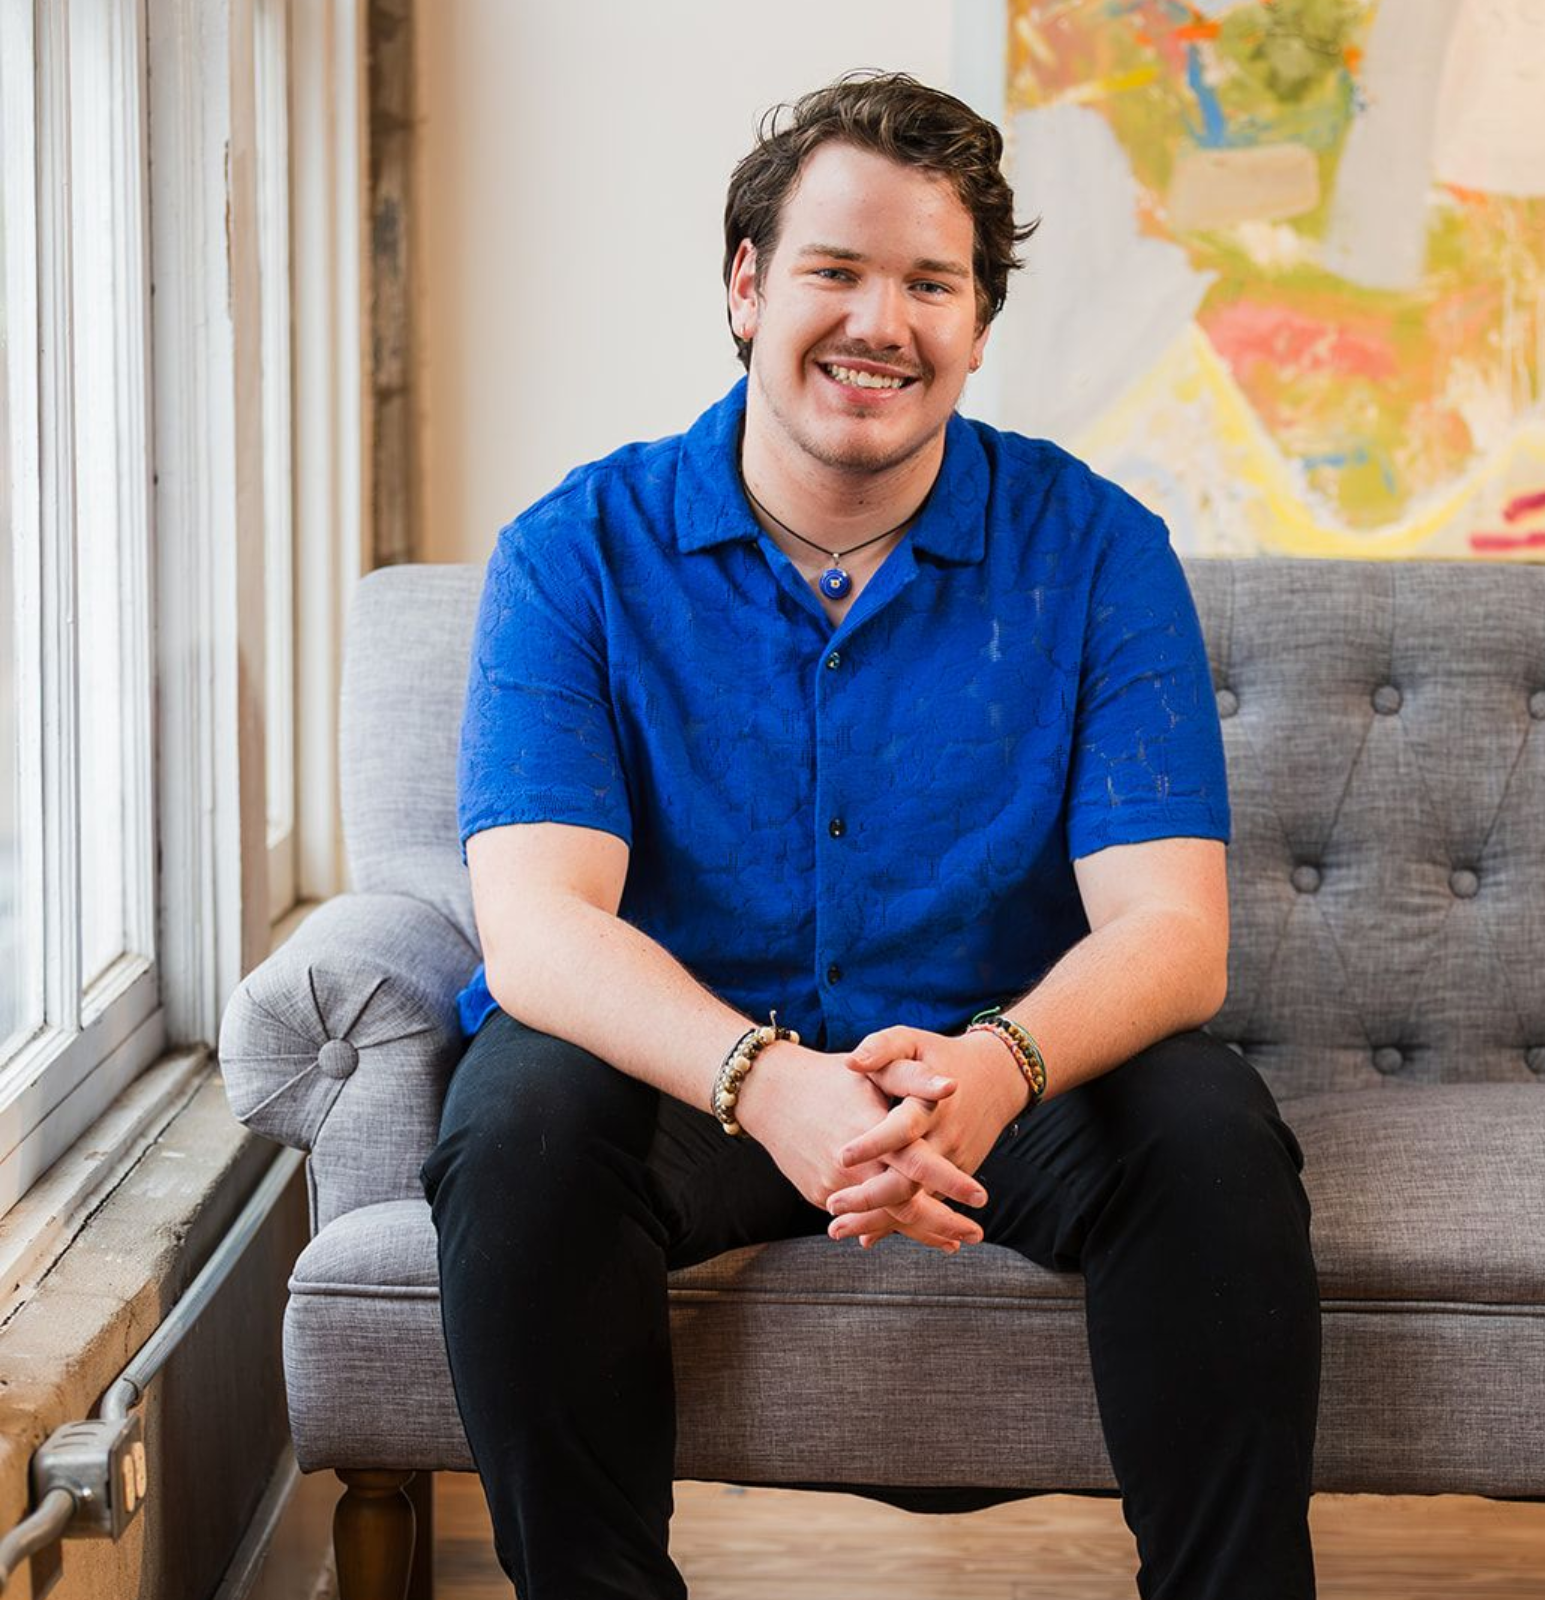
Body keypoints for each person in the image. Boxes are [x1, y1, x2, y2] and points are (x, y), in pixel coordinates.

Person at [422, 71, 1321, 1600]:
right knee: (516, 1127)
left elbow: (1174, 936)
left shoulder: (1099, 551)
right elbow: (540, 926)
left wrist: (998, 1067)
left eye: (930, 282)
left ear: (977, 325)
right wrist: (764, 1083)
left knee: (1210, 1137)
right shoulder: (577, 551)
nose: (879, 322)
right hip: (686, 1070)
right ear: (748, 286)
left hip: (998, 1066)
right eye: (836, 271)